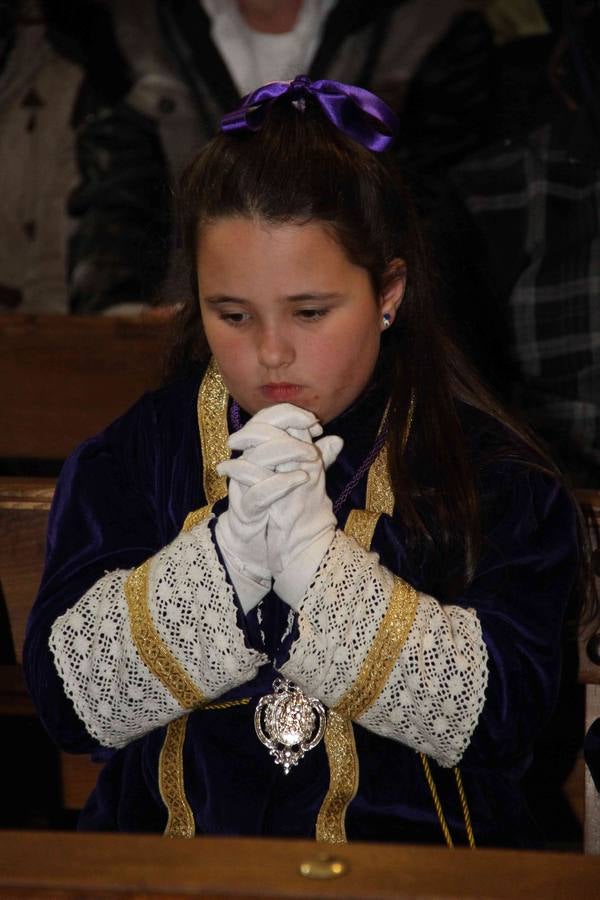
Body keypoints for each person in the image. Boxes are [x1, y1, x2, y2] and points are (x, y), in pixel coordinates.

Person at [24, 76, 583, 848]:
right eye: (232, 314)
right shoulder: (137, 452)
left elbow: (507, 722)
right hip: (173, 875)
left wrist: (323, 573)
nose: (272, 351)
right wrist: (224, 565)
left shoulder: (494, 473)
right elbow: (67, 705)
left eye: (311, 311)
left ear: (389, 289)